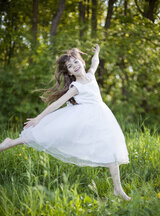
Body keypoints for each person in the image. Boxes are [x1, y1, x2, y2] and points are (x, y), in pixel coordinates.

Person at [0, 44, 131, 201]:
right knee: (47, 134)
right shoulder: (75, 87)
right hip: (82, 119)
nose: (74, 66)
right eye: (70, 66)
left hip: (101, 118)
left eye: (75, 62)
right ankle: (10, 143)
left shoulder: (91, 75)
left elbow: (95, 62)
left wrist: (97, 52)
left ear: (82, 63)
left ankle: (118, 190)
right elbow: (57, 104)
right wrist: (38, 118)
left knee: (112, 148)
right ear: (69, 72)